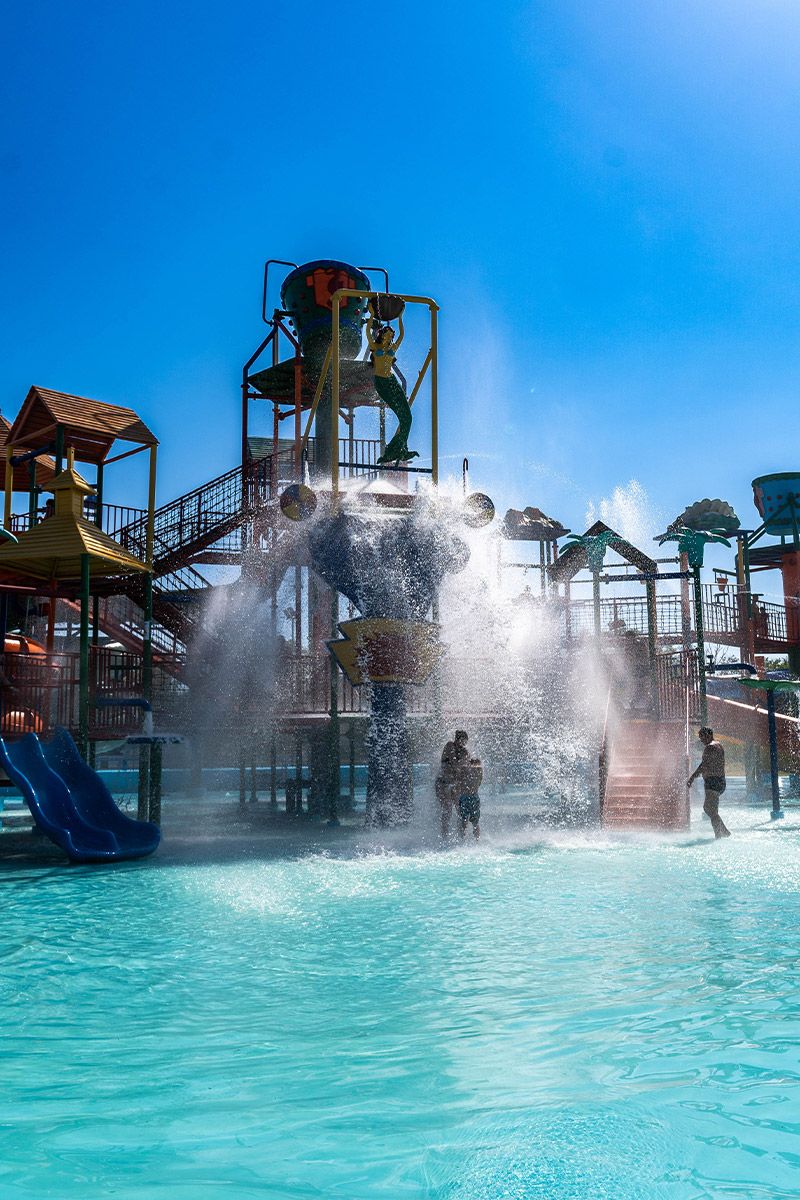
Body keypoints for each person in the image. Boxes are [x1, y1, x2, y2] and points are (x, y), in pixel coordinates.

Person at [366, 301, 419, 465]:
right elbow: (368, 332)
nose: (390, 337)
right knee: (403, 416)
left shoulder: (392, 348)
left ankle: (401, 449)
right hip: (381, 383)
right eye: (388, 335)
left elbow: (402, 335)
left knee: (407, 417)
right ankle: (393, 451)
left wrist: (401, 317)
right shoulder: (375, 347)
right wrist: (372, 315)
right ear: (382, 335)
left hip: (392, 381)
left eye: (391, 336)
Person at [687, 726, 731, 838]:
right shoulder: (718, 745)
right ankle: (722, 833)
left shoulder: (710, 747)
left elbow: (704, 765)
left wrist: (692, 778)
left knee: (709, 809)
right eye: (700, 737)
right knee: (711, 809)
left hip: (713, 781)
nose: (702, 740)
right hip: (720, 781)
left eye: (703, 737)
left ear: (709, 735)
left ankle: (721, 834)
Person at [437, 729, 469, 839]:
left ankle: (462, 836)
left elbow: (464, 769)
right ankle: (444, 837)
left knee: (461, 810)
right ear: (459, 739)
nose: (465, 743)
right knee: (447, 810)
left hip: (454, 784)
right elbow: (454, 764)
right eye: (464, 741)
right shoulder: (450, 745)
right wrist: (463, 761)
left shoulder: (464, 751)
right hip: (443, 783)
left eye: (466, 741)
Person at [458, 755, 483, 840]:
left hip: (465, 797)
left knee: (464, 821)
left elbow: (460, 777)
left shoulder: (465, 770)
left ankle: (463, 839)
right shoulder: (479, 771)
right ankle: (477, 840)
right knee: (475, 823)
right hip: (473, 797)